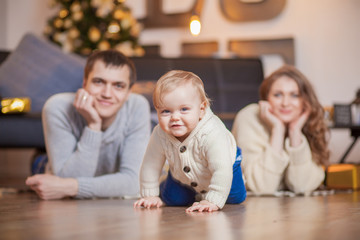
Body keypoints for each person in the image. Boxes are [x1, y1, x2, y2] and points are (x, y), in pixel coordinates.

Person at [25, 50, 151, 200]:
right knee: (41, 168)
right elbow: (66, 178)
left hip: (87, 171)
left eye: (118, 85)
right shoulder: (57, 106)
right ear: (85, 83)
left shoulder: (137, 106)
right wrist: (93, 126)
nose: (107, 94)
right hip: (57, 165)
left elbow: (133, 183)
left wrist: (70, 187)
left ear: (129, 92)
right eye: (98, 82)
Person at [133, 70, 246, 212]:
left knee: (234, 198)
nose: (175, 117)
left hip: (226, 165)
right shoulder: (159, 134)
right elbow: (150, 164)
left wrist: (212, 201)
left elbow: (221, 169)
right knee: (173, 200)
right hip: (183, 173)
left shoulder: (212, 132)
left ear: (201, 110)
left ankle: (211, 192)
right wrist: (150, 195)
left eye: (184, 109)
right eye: (166, 111)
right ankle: (179, 188)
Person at [231, 65, 330, 196]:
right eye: (278, 95)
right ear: (266, 99)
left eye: (294, 95)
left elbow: (301, 186)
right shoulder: (249, 117)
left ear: (305, 101)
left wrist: (295, 131)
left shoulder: (307, 123)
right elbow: (262, 187)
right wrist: (278, 129)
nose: (285, 103)